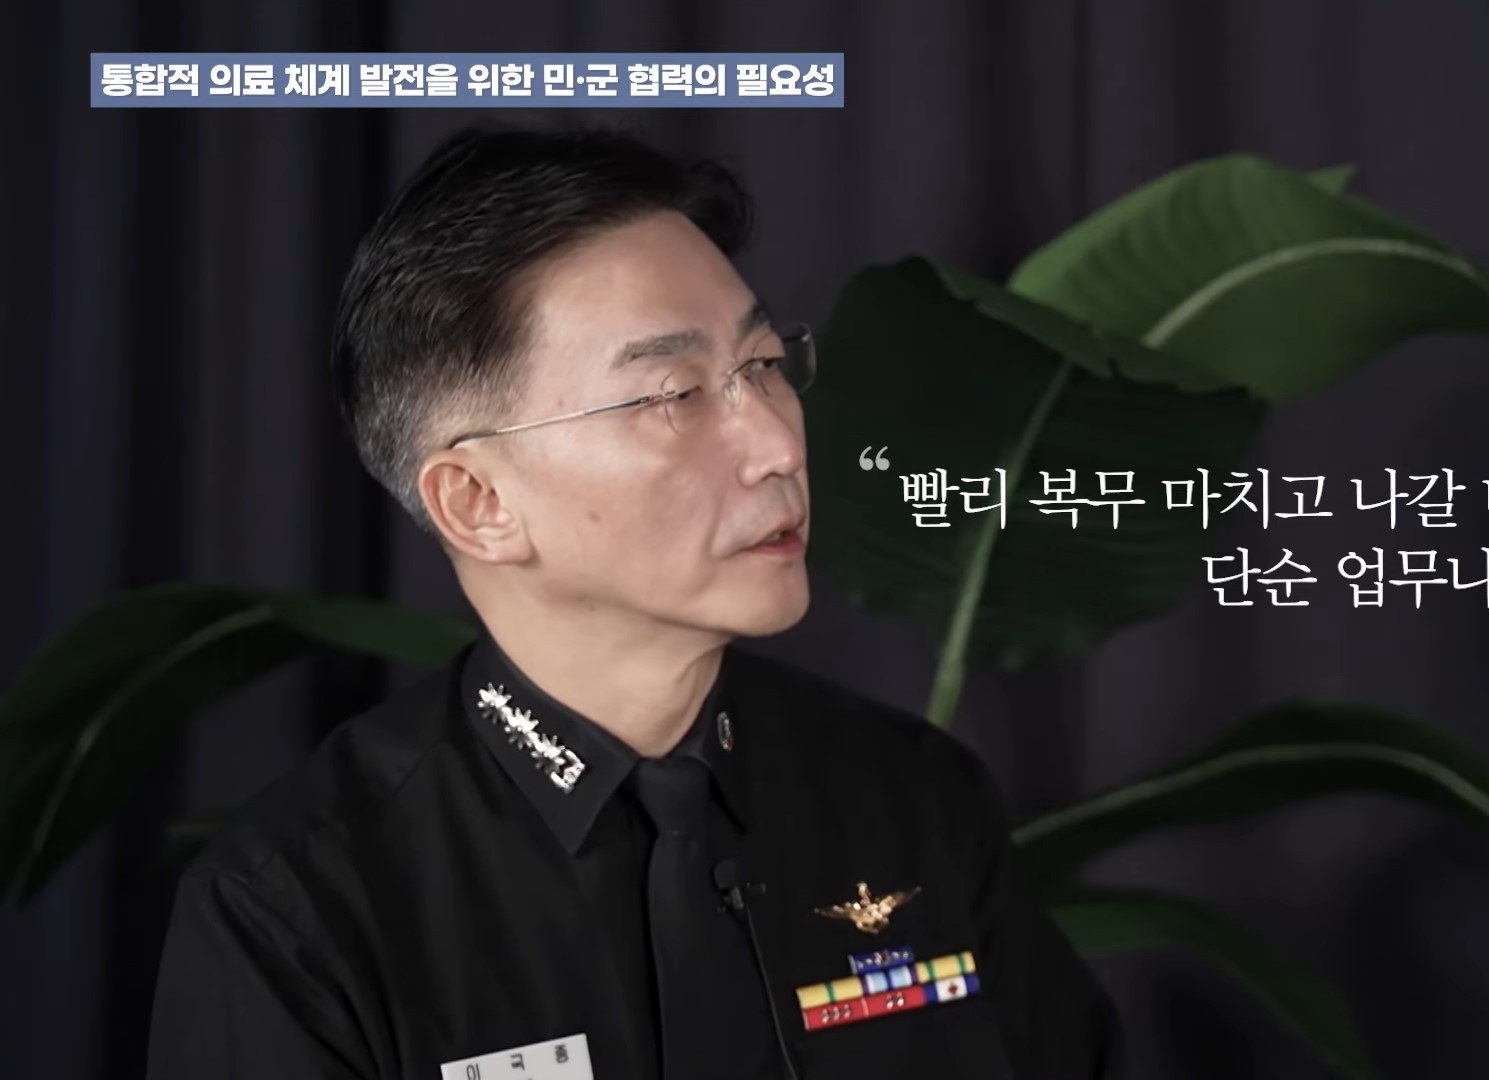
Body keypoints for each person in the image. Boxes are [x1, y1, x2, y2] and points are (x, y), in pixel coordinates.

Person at [144, 122, 1122, 1080]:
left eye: (763, 366)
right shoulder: (298, 908)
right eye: (673, 395)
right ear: (479, 503)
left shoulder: (915, 798)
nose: (778, 445)